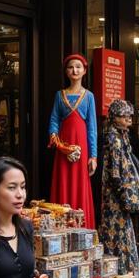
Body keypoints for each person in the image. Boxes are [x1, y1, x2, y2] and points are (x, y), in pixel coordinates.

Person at [47, 54, 97, 227]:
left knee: (80, 181)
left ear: (84, 71)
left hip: (82, 145)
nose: (74, 70)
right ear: (66, 71)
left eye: (78, 67)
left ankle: (81, 226)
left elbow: (92, 127)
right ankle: (61, 224)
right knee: (63, 179)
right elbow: (54, 119)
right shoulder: (59, 95)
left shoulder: (89, 96)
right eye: (70, 67)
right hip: (64, 145)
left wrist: (94, 156)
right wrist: (54, 137)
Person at [99, 99, 139, 276]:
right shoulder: (114, 139)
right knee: (118, 232)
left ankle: (122, 271)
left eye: (129, 116)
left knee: (120, 231)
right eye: (123, 116)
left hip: (117, 195)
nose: (128, 119)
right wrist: (124, 194)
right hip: (116, 197)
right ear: (114, 117)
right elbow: (116, 172)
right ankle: (122, 272)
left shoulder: (120, 136)